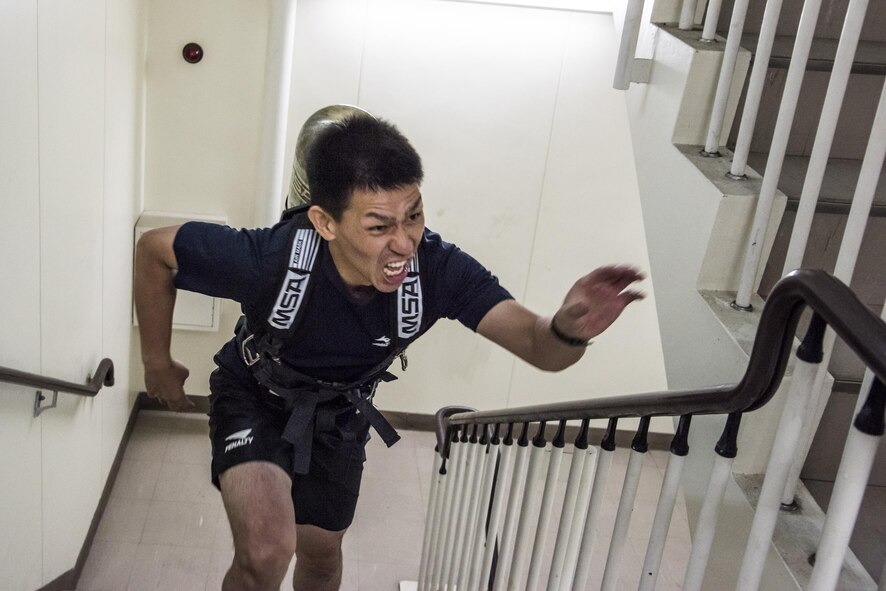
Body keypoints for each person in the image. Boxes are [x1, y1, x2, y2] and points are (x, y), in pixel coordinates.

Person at [133, 108, 645, 591]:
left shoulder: (439, 271)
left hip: (339, 418)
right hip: (254, 396)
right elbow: (155, 250)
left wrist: (569, 328)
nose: (404, 243)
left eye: (414, 216)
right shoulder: (270, 259)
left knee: (320, 554)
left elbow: (541, 348)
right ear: (326, 222)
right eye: (379, 226)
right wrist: (157, 361)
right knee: (267, 552)